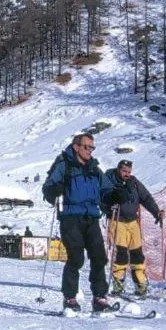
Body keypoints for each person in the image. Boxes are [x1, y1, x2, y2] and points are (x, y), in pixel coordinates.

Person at [42, 133, 113, 313]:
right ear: (76, 147)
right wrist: (53, 190)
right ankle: (70, 298)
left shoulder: (94, 168)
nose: (90, 151)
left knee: (99, 257)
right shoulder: (64, 165)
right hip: (71, 217)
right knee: (76, 258)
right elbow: (48, 187)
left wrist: (114, 195)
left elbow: (106, 189)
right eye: (87, 147)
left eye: (92, 148)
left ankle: (99, 298)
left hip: (92, 217)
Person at [101, 159, 163, 297]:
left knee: (137, 254)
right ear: (118, 169)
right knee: (122, 254)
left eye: (129, 171)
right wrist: (108, 207)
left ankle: (140, 285)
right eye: (124, 171)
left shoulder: (134, 182)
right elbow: (101, 198)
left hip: (132, 221)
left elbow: (146, 197)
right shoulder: (109, 180)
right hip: (117, 220)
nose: (127, 174)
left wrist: (156, 212)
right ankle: (118, 284)